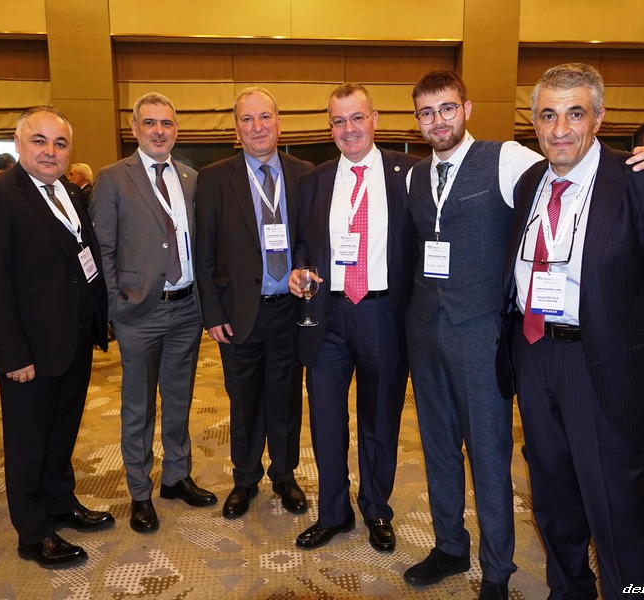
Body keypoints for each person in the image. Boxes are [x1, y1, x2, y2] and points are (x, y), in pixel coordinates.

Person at [499, 63, 644, 600]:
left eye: (575, 114)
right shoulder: (530, 182)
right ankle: (568, 590)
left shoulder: (641, 181)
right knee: (552, 500)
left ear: (599, 117)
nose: (560, 129)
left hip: (605, 365)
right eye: (548, 115)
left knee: (614, 509)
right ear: (533, 121)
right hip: (534, 353)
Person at [402, 69, 542, 598]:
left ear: (466, 109)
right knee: (437, 445)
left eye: (446, 108)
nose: (437, 121)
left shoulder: (506, 158)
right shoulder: (416, 176)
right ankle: (450, 547)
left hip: (481, 331)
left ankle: (498, 570)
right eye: (426, 112)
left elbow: (570, 167)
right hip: (425, 328)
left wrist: (637, 160)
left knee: (487, 454)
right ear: (417, 120)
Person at [0, 106, 113, 567]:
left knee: (62, 430)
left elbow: (80, 259)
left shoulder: (69, 191)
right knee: (28, 440)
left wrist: (96, 321)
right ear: (18, 144)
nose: (50, 151)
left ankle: (60, 502)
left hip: (72, 340)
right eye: (39, 140)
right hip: (28, 350)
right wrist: (12, 353)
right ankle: (32, 532)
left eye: (60, 143)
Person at [287, 83, 418, 553]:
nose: (349, 129)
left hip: (384, 313)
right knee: (326, 419)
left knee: (380, 421)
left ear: (375, 119)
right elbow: (304, 242)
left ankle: (377, 509)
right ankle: (333, 513)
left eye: (357, 118)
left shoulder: (408, 173)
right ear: (331, 127)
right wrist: (299, 269)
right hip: (328, 315)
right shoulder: (315, 180)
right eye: (339, 121)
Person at [89, 92, 215, 534]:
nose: (159, 131)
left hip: (186, 310)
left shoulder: (191, 178)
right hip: (138, 313)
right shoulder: (112, 178)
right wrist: (114, 306)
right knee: (138, 407)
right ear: (134, 129)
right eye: (150, 123)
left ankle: (176, 477)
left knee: (179, 400)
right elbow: (103, 250)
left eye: (166, 123)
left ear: (176, 130)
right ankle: (140, 491)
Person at [195, 88, 311, 519]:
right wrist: (213, 313)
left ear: (279, 123)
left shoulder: (304, 174)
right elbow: (204, 252)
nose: (257, 126)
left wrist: (304, 270)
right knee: (243, 399)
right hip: (238, 311)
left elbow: (310, 238)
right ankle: (245, 478)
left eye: (265, 117)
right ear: (236, 129)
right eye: (247, 119)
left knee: (286, 395)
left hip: (290, 308)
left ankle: (284, 474)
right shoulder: (214, 178)